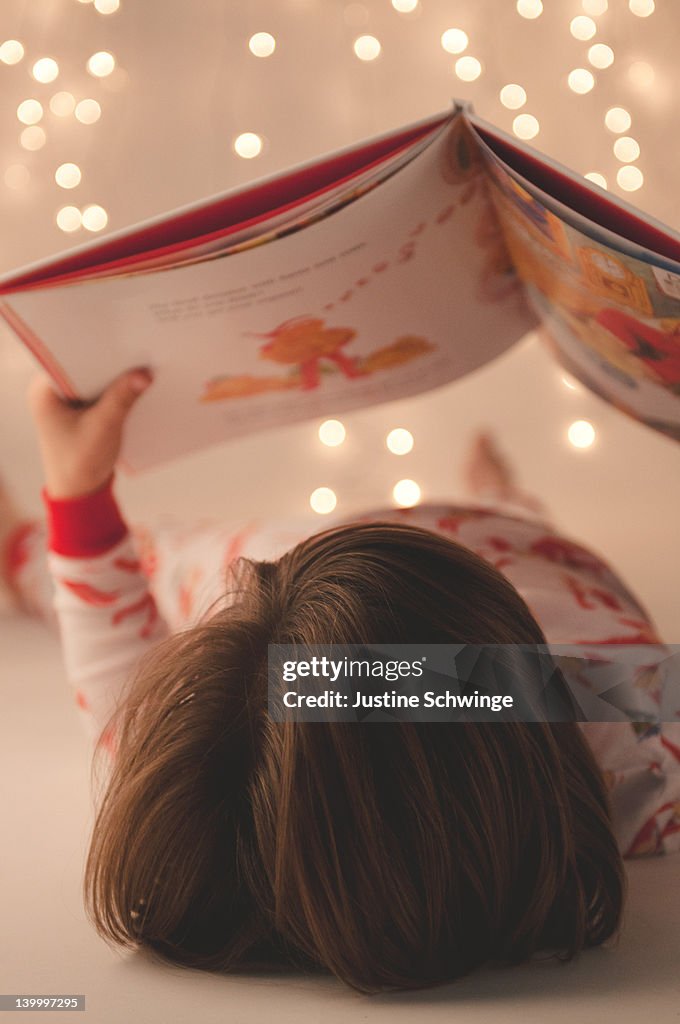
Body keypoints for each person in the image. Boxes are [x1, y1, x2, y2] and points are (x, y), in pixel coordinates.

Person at [1, 369, 678, 994]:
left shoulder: (203, 761)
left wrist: (78, 494)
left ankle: (16, 550)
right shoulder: (640, 734)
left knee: (162, 561)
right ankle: (495, 494)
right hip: (527, 553)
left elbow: (115, 662)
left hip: (299, 576)